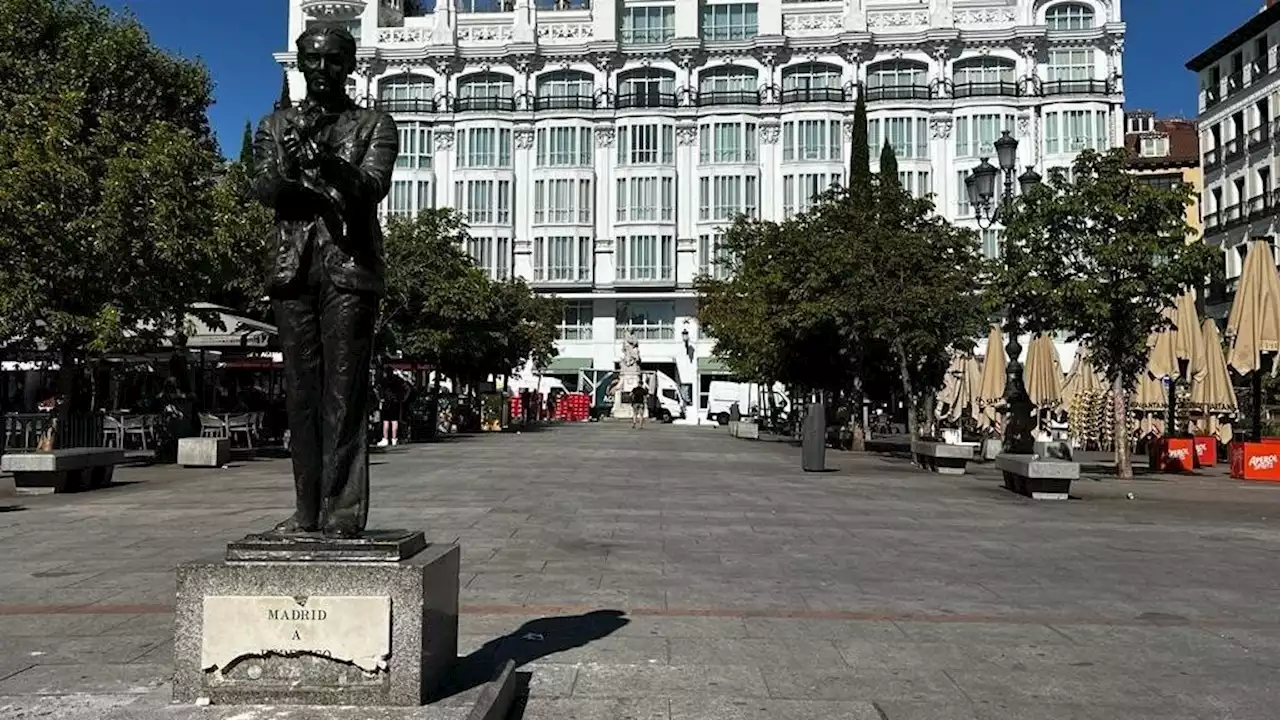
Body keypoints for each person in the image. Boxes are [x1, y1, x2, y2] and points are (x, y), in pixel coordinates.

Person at [250, 25, 398, 538]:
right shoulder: (275, 125)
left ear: (350, 64)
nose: (322, 70)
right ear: (301, 65)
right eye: (312, 60)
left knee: (344, 392)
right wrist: (306, 177)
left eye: (334, 60)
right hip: (293, 268)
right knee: (300, 395)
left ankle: (342, 512)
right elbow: (266, 187)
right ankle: (306, 510)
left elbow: (370, 188)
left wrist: (326, 163)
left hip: (349, 269)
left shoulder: (375, 124)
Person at [378, 368, 408, 447]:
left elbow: (378, 389)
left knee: (386, 421)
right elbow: (407, 388)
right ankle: (394, 439)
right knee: (394, 421)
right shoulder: (398, 380)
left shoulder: (384, 380)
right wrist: (403, 398)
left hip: (387, 402)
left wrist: (380, 398)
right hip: (396, 401)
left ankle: (385, 438)